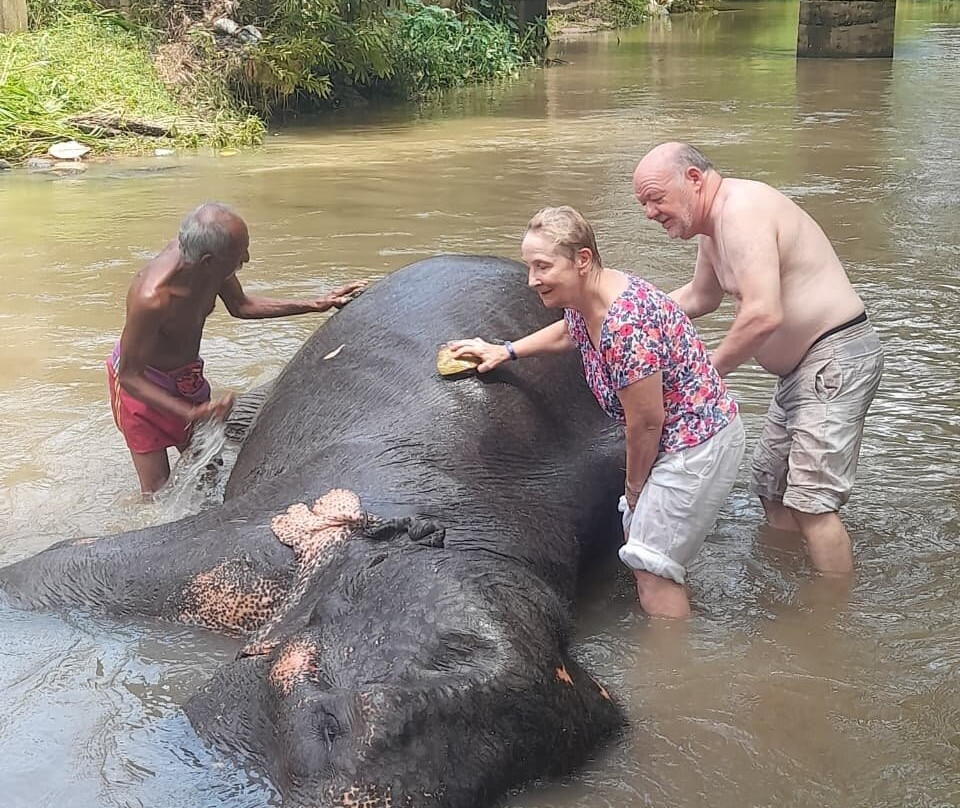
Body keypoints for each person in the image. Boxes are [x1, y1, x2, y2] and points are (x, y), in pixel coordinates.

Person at [449, 206, 745, 618]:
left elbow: (646, 422)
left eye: (542, 266)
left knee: (650, 568)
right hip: (681, 436)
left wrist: (636, 488)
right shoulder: (591, 296)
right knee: (647, 551)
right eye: (528, 266)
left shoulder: (622, 326)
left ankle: (675, 673)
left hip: (694, 444)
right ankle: (675, 609)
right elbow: (570, 330)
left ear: (582, 260)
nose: (532, 279)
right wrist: (506, 350)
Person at [632, 142, 884, 574]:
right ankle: (787, 576)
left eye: (656, 198)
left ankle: (831, 618)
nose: (650, 212)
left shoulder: (740, 210)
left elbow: (764, 313)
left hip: (833, 359)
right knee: (771, 488)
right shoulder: (714, 230)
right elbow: (700, 296)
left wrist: (706, 374)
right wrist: (633, 311)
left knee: (811, 504)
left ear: (693, 179)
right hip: (800, 372)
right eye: (644, 204)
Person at [108, 202, 368, 495]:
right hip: (142, 387)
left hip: (186, 377)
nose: (246, 257)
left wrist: (316, 304)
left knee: (209, 472)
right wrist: (188, 413)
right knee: (156, 493)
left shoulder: (211, 263)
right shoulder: (152, 298)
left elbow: (241, 306)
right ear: (208, 261)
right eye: (239, 253)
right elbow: (130, 376)